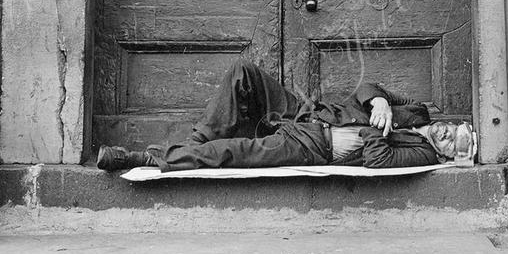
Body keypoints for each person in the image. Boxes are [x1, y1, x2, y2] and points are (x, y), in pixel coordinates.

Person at [97, 60, 465, 172]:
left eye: (455, 141)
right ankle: (192, 145)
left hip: (311, 145)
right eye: (454, 128)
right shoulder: (419, 111)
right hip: (310, 112)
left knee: (232, 152)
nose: (447, 132)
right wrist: (379, 103)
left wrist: (375, 129)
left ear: (451, 155)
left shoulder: (422, 153)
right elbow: (371, 86)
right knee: (244, 73)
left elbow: (376, 159)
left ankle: (146, 157)